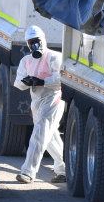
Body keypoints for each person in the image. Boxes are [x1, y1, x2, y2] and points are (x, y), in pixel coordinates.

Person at [14, 25, 66, 184]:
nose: (34, 45)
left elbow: (62, 78)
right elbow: (18, 82)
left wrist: (43, 82)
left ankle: (28, 172)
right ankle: (64, 169)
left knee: (39, 135)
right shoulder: (26, 61)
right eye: (31, 42)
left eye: (36, 41)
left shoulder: (54, 57)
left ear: (43, 40)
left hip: (53, 100)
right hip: (37, 102)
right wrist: (27, 81)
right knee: (49, 138)